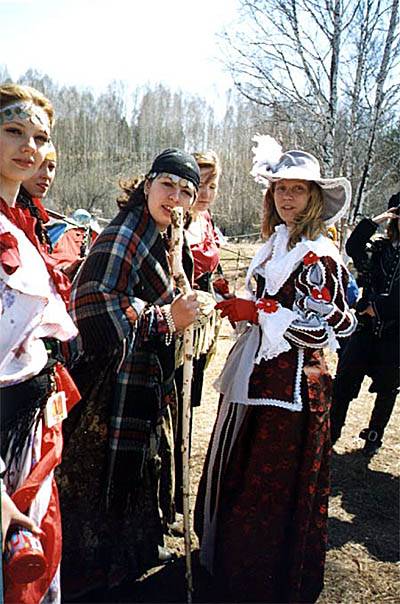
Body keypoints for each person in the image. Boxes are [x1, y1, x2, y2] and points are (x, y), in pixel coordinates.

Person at [194, 135, 356, 603]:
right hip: (258, 378)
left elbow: (326, 328)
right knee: (244, 472)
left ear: (314, 197)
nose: (286, 197)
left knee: (271, 484)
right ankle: (233, 568)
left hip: (294, 390)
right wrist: (238, 301)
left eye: (297, 189)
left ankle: (262, 582)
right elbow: (266, 304)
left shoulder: (319, 256)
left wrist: (260, 312)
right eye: (280, 189)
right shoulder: (276, 244)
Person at [57, 148, 200, 599]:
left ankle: (126, 557)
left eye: (186, 191)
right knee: (100, 477)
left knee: (137, 470)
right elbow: (92, 301)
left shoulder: (166, 236)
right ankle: (92, 572)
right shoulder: (127, 231)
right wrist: (166, 319)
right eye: (167, 185)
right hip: (109, 385)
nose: (174, 197)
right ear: (147, 185)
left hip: (141, 378)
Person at [0, 83, 80, 603]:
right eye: (13, 130)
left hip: (27, 434)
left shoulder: (21, 224)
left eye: (40, 137)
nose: (30, 146)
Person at [172, 150, 230, 522]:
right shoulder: (175, 223)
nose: (206, 193)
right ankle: (171, 494)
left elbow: (215, 273)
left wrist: (227, 298)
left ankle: (180, 493)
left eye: (213, 185)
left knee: (189, 406)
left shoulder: (206, 222)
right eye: (201, 185)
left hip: (204, 329)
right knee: (174, 409)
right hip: (178, 324)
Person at [330, 192, 399, 456]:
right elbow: (354, 247)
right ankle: (332, 432)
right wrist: (376, 220)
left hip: (395, 331)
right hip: (365, 328)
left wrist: (378, 307)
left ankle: (374, 436)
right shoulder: (380, 248)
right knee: (344, 381)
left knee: (387, 388)